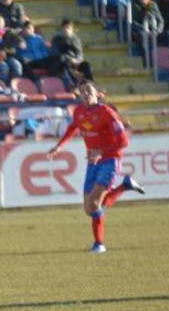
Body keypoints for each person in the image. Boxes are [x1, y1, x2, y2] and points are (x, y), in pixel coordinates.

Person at [46, 81, 146, 254]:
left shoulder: (106, 112)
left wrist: (101, 151)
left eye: (89, 91)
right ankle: (125, 185)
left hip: (110, 161)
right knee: (89, 209)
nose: (85, 94)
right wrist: (59, 146)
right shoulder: (79, 111)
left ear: (97, 94)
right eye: (82, 91)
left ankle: (99, 244)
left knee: (94, 203)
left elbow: (123, 141)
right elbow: (72, 128)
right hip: (93, 162)